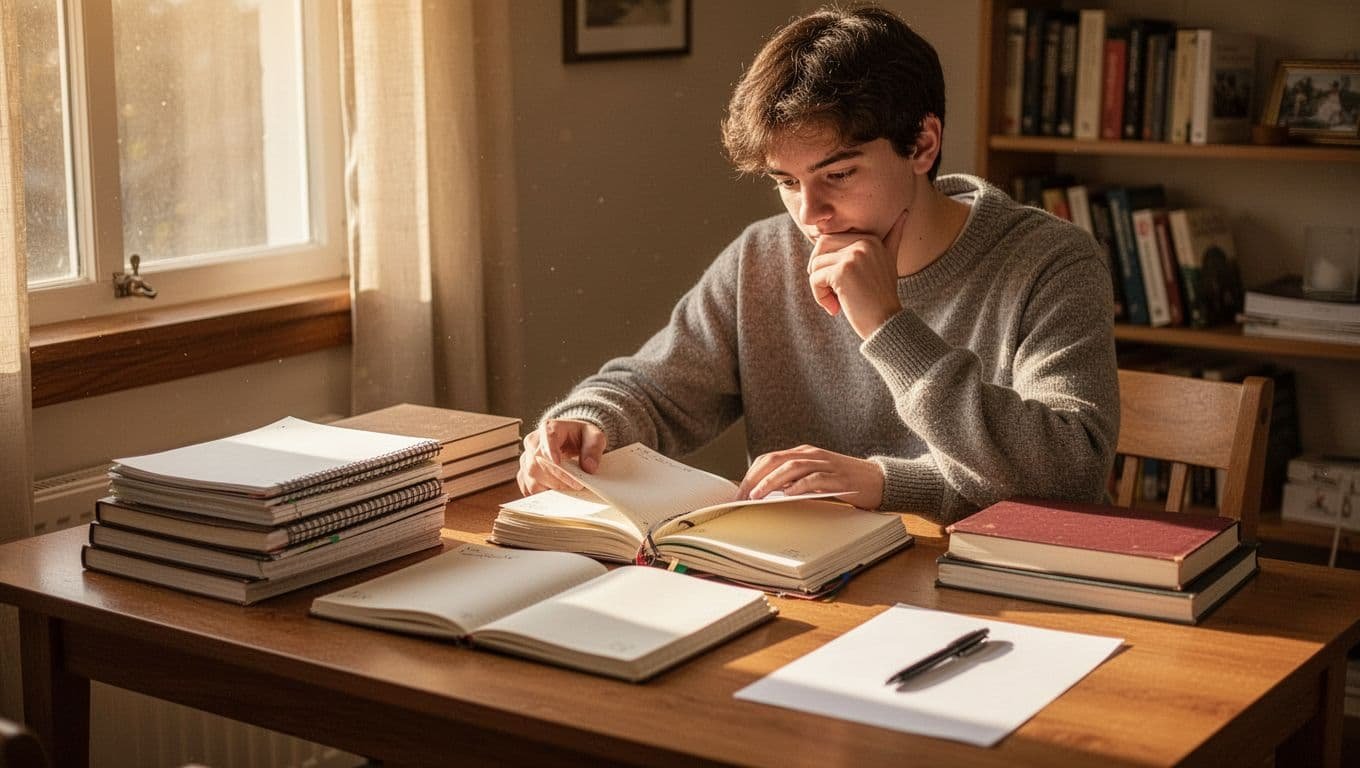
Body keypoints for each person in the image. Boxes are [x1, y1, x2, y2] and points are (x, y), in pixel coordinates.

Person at [516, 5, 1119, 523]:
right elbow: (654, 389)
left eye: (838, 174)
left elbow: (1072, 475)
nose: (812, 215)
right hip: (809, 591)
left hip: (996, 601)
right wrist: (588, 420)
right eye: (786, 181)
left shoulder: (1051, 262)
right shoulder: (763, 256)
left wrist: (889, 329)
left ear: (923, 144)